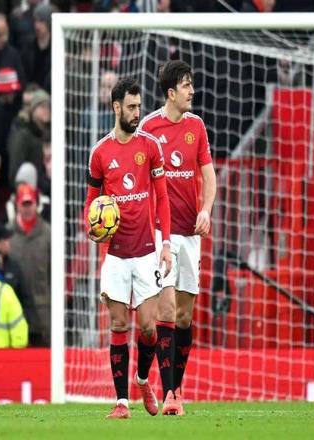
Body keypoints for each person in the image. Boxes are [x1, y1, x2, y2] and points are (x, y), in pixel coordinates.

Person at [84, 77, 172, 419]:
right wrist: (92, 229)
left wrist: (166, 243)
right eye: (131, 107)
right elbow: (91, 203)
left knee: (149, 327)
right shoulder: (99, 153)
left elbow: (162, 197)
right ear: (116, 107)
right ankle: (122, 402)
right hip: (116, 255)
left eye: (139, 107)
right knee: (119, 325)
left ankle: (142, 380)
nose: (137, 113)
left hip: (147, 251)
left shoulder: (150, 146)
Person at [139, 60, 216, 415]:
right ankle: (169, 393)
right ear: (171, 93)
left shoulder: (196, 126)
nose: (192, 91)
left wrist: (206, 210)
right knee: (166, 309)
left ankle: (175, 387)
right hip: (160, 232)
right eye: (186, 85)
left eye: (192, 84)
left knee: (184, 315)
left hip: (190, 232)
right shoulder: (148, 128)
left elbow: (208, 175)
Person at [9, 182, 51, 346]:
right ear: (17, 205)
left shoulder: (48, 234)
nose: (27, 209)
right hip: (14, 308)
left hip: (42, 311)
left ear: (36, 204)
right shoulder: (8, 233)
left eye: (30, 203)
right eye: (23, 204)